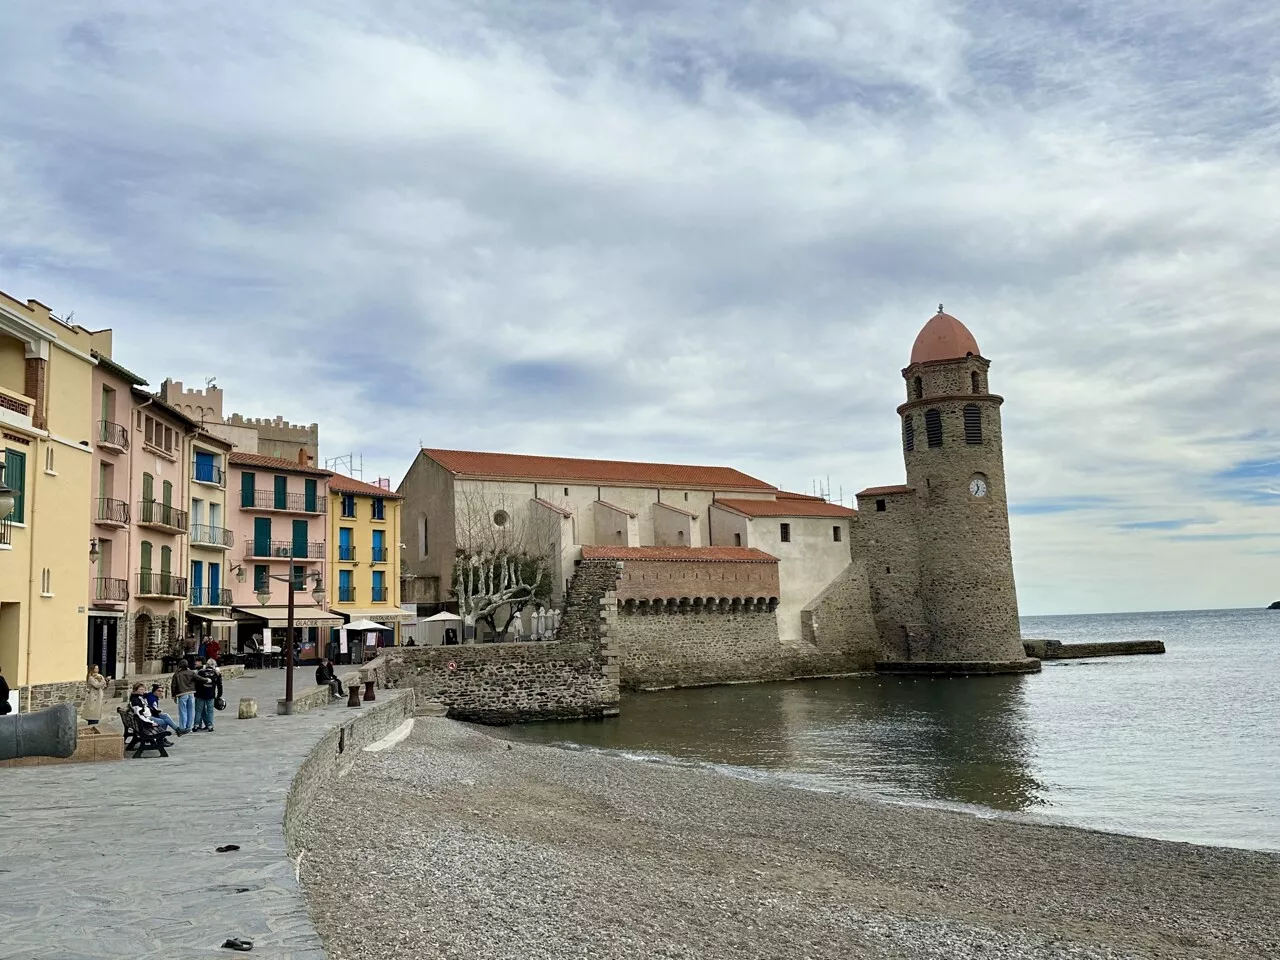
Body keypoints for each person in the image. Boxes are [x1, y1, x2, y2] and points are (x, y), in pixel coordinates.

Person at [192, 658, 223, 732]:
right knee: (210, 711)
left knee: (198, 710)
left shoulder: (201, 672)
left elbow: (196, 683)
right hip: (210, 694)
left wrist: (195, 693)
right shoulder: (216, 674)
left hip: (200, 694)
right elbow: (219, 685)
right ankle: (210, 726)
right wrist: (219, 695)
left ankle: (196, 726)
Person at [171, 658, 198, 732]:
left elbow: (173, 685)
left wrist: (174, 695)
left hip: (182, 693)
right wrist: (207, 680)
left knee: (183, 711)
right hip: (191, 693)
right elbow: (198, 679)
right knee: (190, 710)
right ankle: (189, 726)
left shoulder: (177, 674)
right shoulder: (191, 672)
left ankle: (182, 727)